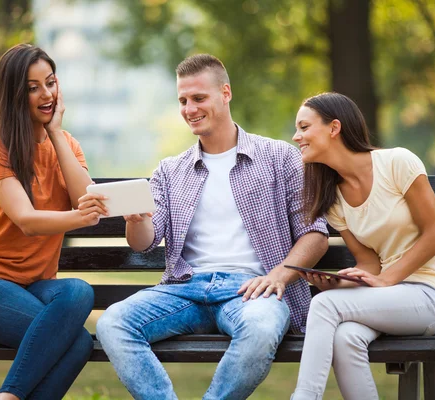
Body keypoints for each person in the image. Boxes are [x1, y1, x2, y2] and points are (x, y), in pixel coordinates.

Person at [95, 54, 329, 400]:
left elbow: (316, 234)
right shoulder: (169, 171)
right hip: (185, 289)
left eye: (199, 98)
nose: (189, 109)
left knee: (262, 329)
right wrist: (136, 220)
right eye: (183, 101)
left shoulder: (280, 157)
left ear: (225, 93)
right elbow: (144, 243)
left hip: (252, 291)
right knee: (112, 323)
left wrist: (278, 277)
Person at [0, 44, 108, 400]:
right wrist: (78, 216)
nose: (46, 94)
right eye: (33, 87)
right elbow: (26, 220)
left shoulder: (66, 143)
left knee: (79, 291)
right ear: (14, 94)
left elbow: (85, 196)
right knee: (78, 342)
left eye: (50, 83)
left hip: (33, 288)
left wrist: (55, 134)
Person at [289, 92, 435, 400]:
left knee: (323, 307)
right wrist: (341, 282)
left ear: (334, 128)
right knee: (346, 337)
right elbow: (370, 264)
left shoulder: (397, 163)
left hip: (427, 294)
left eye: (304, 127)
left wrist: (386, 279)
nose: (296, 136)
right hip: (386, 299)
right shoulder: (334, 199)